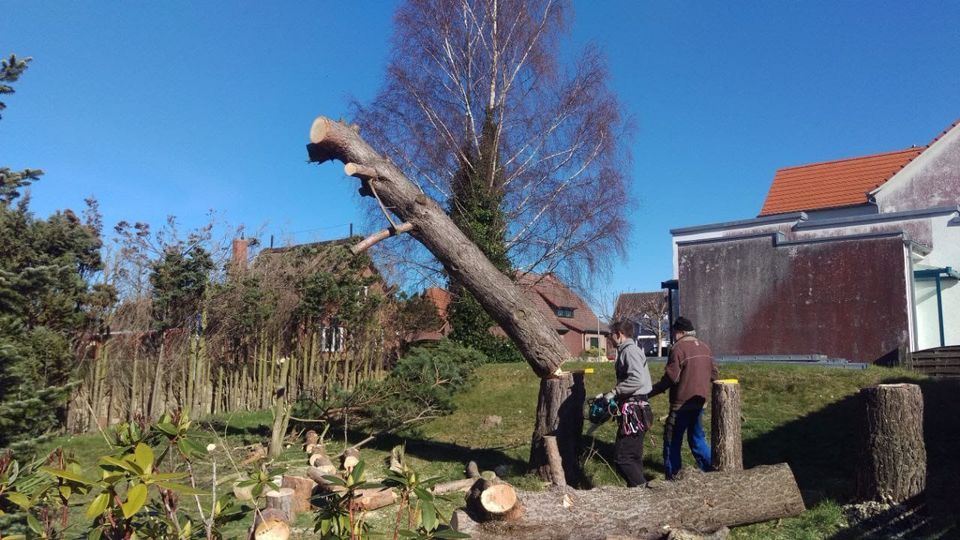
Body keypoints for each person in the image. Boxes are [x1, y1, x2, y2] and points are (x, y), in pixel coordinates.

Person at [648, 316, 719, 479]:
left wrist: (649, 392)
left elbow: (671, 378)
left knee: (672, 442)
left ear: (680, 332)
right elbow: (714, 374)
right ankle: (712, 473)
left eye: (674, 332)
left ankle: (674, 477)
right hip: (700, 403)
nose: (673, 336)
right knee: (697, 439)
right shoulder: (705, 347)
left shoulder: (678, 349)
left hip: (680, 406)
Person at [604, 320, 654, 487]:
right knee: (633, 457)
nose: (610, 338)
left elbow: (637, 379)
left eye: (611, 334)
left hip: (634, 411)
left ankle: (643, 492)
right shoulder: (629, 350)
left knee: (622, 458)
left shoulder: (629, 351)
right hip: (636, 408)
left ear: (619, 334)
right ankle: (637, 494)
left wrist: (615, 391)